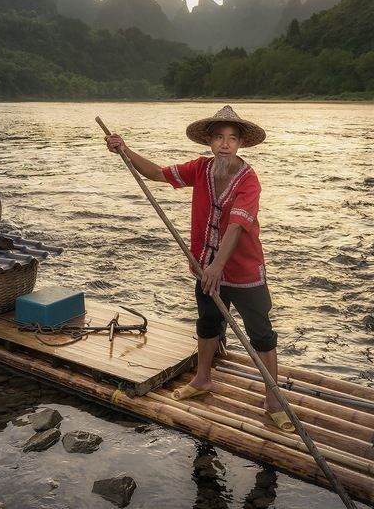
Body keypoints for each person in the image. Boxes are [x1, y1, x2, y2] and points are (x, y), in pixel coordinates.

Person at [105, 105, 293, 432]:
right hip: (205, 269)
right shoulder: (201, 169)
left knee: (261, 333)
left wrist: (219, 265)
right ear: (209, 140)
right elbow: (158, 173)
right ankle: (203, 378)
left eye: (232, 139)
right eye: (219, 137)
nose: (225, 144)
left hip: (244, 273)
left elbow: (237, 225)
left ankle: (273, 398)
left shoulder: (249, 180)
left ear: (241, 144)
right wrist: (125, 149)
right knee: (207, 323)